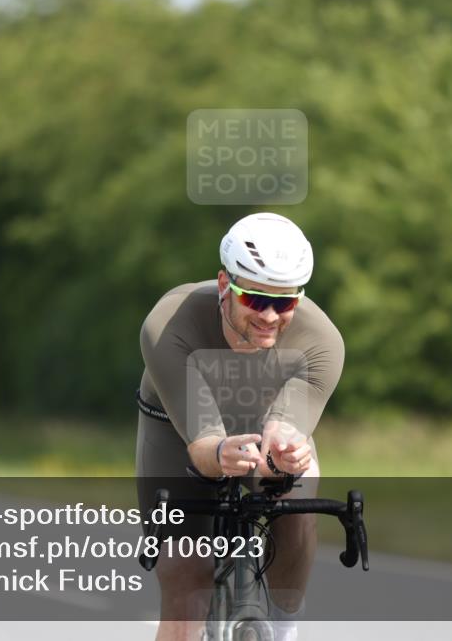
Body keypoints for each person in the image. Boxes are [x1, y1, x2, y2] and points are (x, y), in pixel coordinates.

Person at [136, 212, 344, 641]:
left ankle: (283, 630)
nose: (269, 316)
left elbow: (285, 432)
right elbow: (203, 446)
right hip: (176, 430)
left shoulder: (322, 340)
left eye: (284, 303)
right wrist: (218, 453)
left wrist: (285, 457)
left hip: (261, 422)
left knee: (297, 499)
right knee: (185, 587)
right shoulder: (169, 323)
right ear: (224, 285)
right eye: (254, 299)